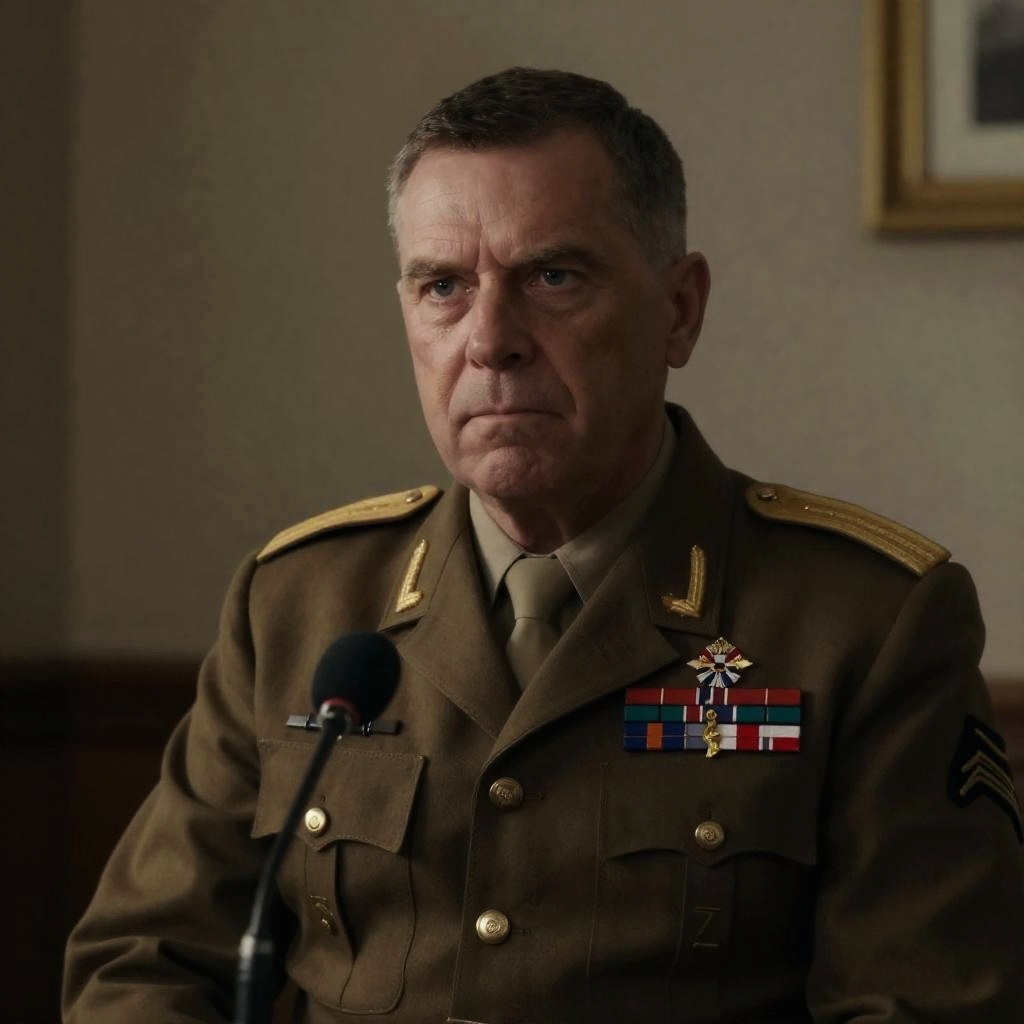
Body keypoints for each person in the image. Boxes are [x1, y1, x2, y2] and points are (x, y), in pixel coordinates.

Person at [63, 68, 1024, 1023]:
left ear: (679, 310)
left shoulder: (864, 621)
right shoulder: (300, 605)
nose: (490, 340)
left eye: (553, 277)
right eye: (444, 286)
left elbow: (924, 1005)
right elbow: (143, 966)